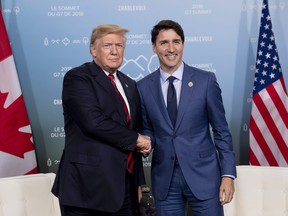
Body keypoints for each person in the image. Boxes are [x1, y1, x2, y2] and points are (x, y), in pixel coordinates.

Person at [137, 20, 236, 216]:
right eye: (164, 43)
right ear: (154, 47)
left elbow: (221, 131)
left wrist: (228, 175)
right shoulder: (143, 87)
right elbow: (148, 129)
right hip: (165, 181)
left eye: (176, 41)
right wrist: (146, 142)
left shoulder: (206, 81)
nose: (171, 49)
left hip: (205, 177)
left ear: (183, 44)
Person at [52, 24, 151, 216]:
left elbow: (133, 131)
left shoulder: (129, 84)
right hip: (87, 191)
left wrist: (139, 183)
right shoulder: (78, 78)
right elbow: (93, 121)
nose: (114, 51)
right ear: (93, 50)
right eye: (107, 45)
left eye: (119, 46)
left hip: (126, 190)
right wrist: (137, 139)